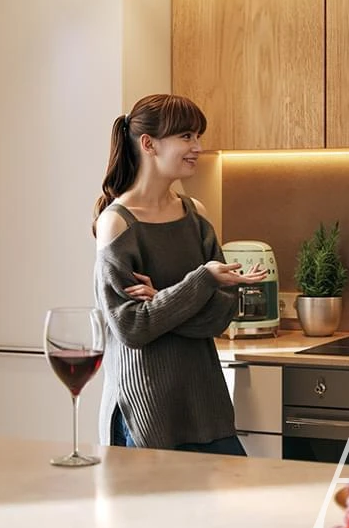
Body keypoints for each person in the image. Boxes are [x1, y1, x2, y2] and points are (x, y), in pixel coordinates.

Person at [92, 94, 267, 454]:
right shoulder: (117, 223)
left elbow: (220, 317)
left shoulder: (195, 214)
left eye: (198, 136)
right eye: (186, 136)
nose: (197, 147)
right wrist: (201, 281)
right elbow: (132, 328)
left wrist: (160, 299)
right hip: (146, 413)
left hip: (207, 408)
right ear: (149, 144)